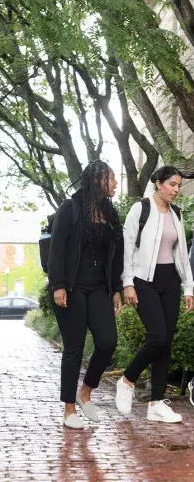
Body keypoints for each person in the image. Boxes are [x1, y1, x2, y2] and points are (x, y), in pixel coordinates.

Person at [48, 160, 123, 429]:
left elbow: (116, 256)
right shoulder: (71, 208)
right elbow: (57, 249)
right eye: (111, 178)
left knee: (107, 341)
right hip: (71, 287)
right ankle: (69, 409)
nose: (115, 183)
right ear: (96, 181)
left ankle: (86, 391)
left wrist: (115, 289)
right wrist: (58, 284)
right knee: (74, 348)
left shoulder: (110, 213)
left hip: (99, 288)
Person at [116, 166, 194, 423]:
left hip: (170, 281)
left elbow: (181, 254)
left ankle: (156, 403)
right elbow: (126, 247)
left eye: (179, 185)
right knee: (157, 336)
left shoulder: (177, 214)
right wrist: (127, 282)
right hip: (143, 281)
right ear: (158, 183)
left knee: (166, 341)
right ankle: (127, 379)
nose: (176, 189)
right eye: (172, 184)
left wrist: (188, 287)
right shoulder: (141, 209)